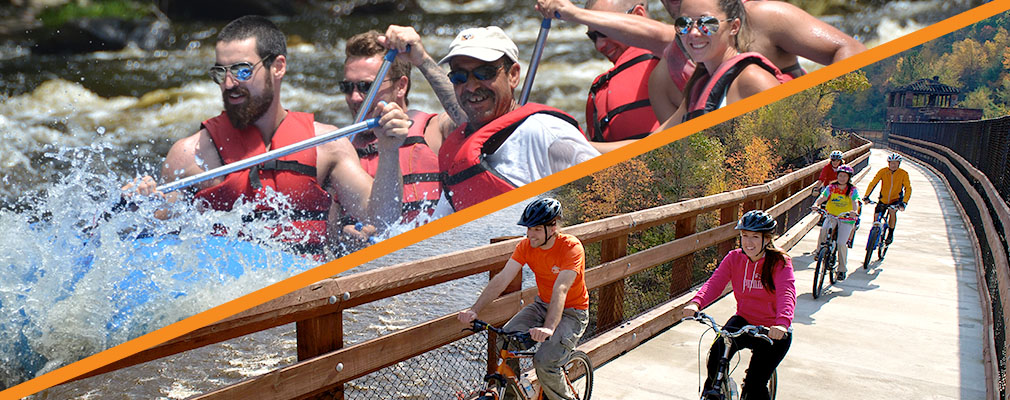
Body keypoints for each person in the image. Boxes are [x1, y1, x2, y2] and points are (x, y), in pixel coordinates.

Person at [124, 15, 409, 256]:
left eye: (242, 70)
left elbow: (381, 219)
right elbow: (153, 238)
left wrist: (388, 149)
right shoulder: (190, 154)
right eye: (220, 72)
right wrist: (139, 208)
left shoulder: (328, 145)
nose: (229, 83)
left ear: (278, 67)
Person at [536, 0, 867, 123]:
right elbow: (655, 34)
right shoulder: (668, 75)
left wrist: (821, 116)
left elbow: (849, 49)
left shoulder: (765, 17)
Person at [392, 25, 600, 212]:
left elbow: (607, 192)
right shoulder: (457, 151)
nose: (472, 87)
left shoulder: (547, 133)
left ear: (513, 76)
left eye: (484, 73)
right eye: (459, 77)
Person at [458, 198, 589, 400]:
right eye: (528, 228)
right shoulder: (526, 246)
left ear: (553, 226)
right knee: (505, 339)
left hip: (573, 312)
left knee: (544, 363)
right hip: (542, 305)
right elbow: (502, 279)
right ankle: (512, 397)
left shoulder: (571, 247)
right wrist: (475, 309)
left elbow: (561, 288)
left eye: (536, 229)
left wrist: (549, 328)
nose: (530, 234)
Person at [336, 29, 458, 243]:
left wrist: (422, 60)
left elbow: (474, 120)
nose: (355, 97)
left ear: (401, 86)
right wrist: (342, 233)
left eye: (366, 87)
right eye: (347, 87)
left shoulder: (434, 130)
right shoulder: (340, 151)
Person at [681, 209, 795, 400]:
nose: (748, 242)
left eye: (754, 237)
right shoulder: (735, 258)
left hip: (772, 329)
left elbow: (787, 293)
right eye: (744, 236)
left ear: (766, 239)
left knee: (754, 386)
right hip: (744, 320)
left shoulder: (779, 262)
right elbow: (715, 283)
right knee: (716, 357)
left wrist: (782, 323)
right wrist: (696, 303)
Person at [655, 0, 791, 130]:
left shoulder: (752, 78)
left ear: (734, 27)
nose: (694, 33)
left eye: (707, 23)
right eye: (685, 24)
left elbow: (793, 134)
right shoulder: (697, 90)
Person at [581, 0, 661, 154]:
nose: (599, 46)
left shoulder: (680, 61)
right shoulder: (600, 88)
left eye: (605, 30)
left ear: (638, 16)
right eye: (593, 37)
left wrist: (580, 146)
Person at [812, 164, 859, 280]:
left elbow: (855, 202)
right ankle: (820, 251)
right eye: (840, 175)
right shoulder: (831, 187)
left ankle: (842, 269)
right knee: (823, 229)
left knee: (841, 243)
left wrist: (854, 211)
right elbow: (823, 197)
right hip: (832, 215)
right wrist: (816, 204)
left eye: (845, 176)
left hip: (846, 218)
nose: (842, 178)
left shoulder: (852, 190)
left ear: (849, 178)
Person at [863, 153, 911, 245]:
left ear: (899, 164)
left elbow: (908, 188)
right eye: (891, 163)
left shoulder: (903, 174)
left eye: (895, 163)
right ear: (888, 163)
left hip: (896, 199)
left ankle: (890, 234)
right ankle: (874, 234)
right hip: (883, 199)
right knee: (876, 216)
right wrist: (866, 196)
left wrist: (904, 202)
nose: (893, 165)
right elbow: (873, 183)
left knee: (892, 211)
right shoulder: (883, 171)